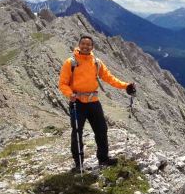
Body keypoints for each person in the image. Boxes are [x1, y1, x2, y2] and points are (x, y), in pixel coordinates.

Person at [58, 35, 136, 171]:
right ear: (78, 45)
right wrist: (70, 94)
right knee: (77, 132)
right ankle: (79, 163)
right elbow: (63, 83)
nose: (85, 46)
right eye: (83, 44)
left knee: (101, 130)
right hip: (77, 102)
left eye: (88, 45)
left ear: (92, 47)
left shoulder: (96, 62)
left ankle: (103, 158)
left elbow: (109, 78)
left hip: (93, 102)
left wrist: (125, 86)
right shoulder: (70, 62)